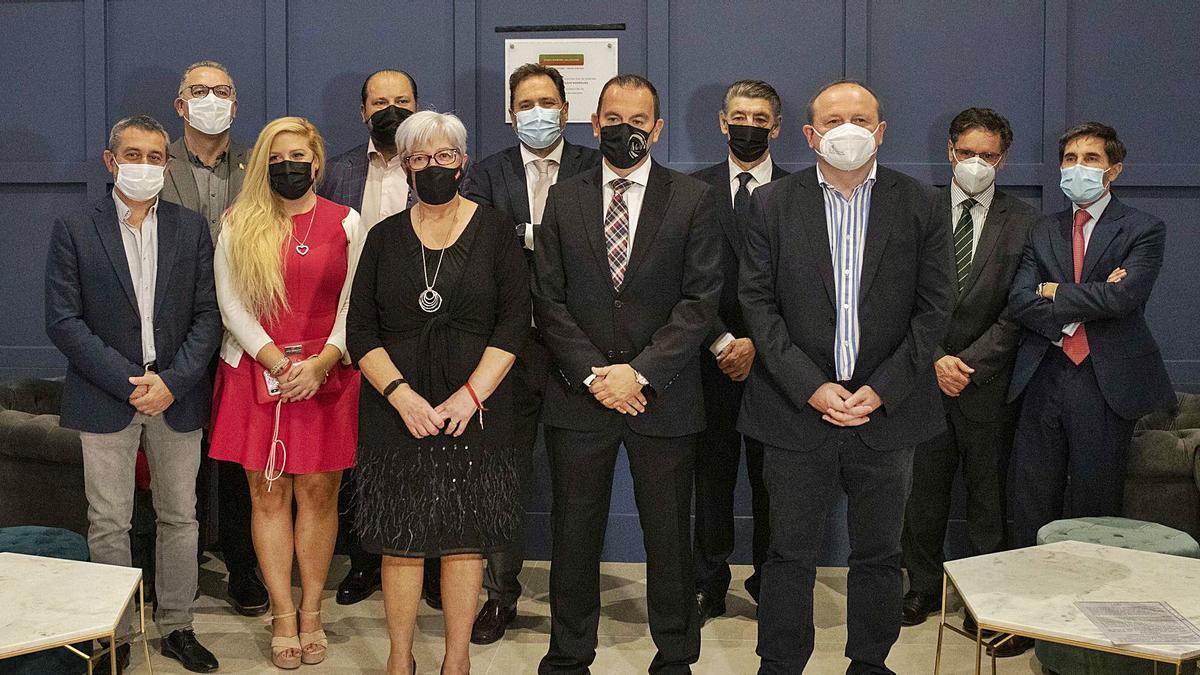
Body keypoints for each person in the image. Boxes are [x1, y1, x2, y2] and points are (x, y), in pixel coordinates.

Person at [738, 80, 954, 674]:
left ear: (881, 131)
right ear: (810, 136)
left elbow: (934, 310)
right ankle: (780, 664)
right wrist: (811, 386)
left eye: (860, 118)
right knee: (787, 554)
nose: (847, 129)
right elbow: (757, 304)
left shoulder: (922, 205)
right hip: (794, 408)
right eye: (832, 120)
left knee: (881, 555)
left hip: (887, 412)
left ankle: (869, 663)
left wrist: (879, 389)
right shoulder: (769, 205)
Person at [534, 74, 722, 675]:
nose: (625, 130)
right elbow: (549, 301)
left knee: (669, 539)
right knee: (574, 535)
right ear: (594, 125)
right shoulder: (563, 199)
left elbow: (699, 303)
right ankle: (568, 655)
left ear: (657, 128)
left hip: (661, 399)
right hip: (579, 398)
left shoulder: (691, 198)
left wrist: (637, 374)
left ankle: (674, 657)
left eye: (638, 121)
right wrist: (596, 375)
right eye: (612, 119)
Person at [346, 110, 528, 675]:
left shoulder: (497, 231)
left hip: (476, 407)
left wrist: (467, 398)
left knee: (463, 539)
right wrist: (401, 396)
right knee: (400, 539)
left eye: (444, 157)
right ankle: (399, 659)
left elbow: (513, 324)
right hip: (395, 408)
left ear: (463, 163)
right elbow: (360, 332)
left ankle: (457, 660)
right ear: (403, 167)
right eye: (420, 158)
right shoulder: (382, 237)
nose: (432, 167)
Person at [45, 114, 222, 674]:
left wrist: (171, 382)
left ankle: (178, 625)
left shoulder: (191, 228)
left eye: (154, 156)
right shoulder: (75, 227)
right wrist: (131, 383)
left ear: (165, 166)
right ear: (110, 160)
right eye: (134, 154)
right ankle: (113, 633)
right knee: (108, 521)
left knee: (180, 517)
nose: (144, 165)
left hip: (177, 394)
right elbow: (63, 320)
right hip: (106, 395)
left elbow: (208, 315)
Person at [1003, 122, 1175, 654]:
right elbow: (1020, 301)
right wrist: (1085, 297)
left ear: (1114, 168)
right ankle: (1024, 619)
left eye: (1091, 157)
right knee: (1030, 498)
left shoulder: (1144, 228)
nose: (1078, 167)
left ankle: (1080, 626)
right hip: (1045, 373)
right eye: (1070, 157)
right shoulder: (1042, 228)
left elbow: (1126, 301)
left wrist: (1057, 291)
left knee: (1094, 503)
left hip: (1107, 381)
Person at [208, 116, 364, 668]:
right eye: (275, 159)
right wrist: (276, 360)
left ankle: (313, 609)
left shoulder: (348, 222)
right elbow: (232, 306)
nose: (287, 166)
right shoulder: (237, 222)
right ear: (261, 166)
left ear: (317, 162)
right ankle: (282, 613)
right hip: (256, 372)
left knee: (320, 495)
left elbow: (356, 303)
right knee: (268, 495)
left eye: (298, 156)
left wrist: (322, 363)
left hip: (328, 375)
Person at [459, 61, 601, 645]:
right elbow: (480, 253)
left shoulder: (598, 168)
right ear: (510, 112)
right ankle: (501, 595)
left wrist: (530, 236)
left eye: (548, 102)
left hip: (578, 350)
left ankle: (576, 600)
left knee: (579, 483)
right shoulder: (486, 175)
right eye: (526, 103)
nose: (537, 112)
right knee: (501, 477)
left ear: (565, 111)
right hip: (506, 352)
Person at [899, 108, 1039, 641]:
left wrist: (970, 364)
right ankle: (920, 588)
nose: (976, 163)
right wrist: (934, 357)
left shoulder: (1025, 221)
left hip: (987, 384)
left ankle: (985, 602)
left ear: (1002, 159)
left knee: (987, 499)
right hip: (922, 377)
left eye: (988, 155)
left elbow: (1019, 307)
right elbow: (896, 294)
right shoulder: (918, 210)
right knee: (922, 495)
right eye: (967, 153)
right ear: (950, 151)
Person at [317, 68, 430, 608]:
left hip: (428, 326)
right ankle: (365, 560)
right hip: (352, 325)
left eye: (402, 101)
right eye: (380, 102)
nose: (390, 110)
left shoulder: (440, 167)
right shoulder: (335, 171)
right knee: (363, 453)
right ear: (363, 111)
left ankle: (430, 564)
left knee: (428, 450)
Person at [160, 59, 266, 618]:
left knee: (238, 460)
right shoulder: (157, 161)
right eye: (199, 92)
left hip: (243, 335)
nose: (211, 100)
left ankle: (242, 567)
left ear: (236, 104)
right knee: (178, 458)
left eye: (222, 92)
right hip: (174, 336)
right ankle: (179, 563)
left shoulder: (257, 165)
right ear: (181, 106)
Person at [688, 79, 787, 622]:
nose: (749, 126)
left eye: (760, 118)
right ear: (723, 123)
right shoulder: (691, 190)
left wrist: (758, 343)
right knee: (712, 480)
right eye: (739, 117)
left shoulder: (802, 191)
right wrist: (723, 340)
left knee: (774, 483)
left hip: (778, 365)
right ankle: (708, 580)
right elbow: (683, 279)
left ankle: (771, 580)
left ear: (775, 127)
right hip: (708, 361)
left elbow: (806, 284)